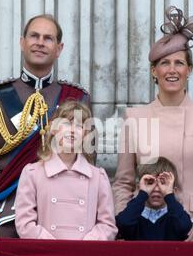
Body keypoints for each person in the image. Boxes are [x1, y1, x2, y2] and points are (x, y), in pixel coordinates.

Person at [0, 14, 91, 239]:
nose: (40, 42)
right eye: (34, 36)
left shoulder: (77, 98)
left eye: (48, 38)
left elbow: (87, 159)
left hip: (62, 213)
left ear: (58, 48)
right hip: (6, 214)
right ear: (22, 43)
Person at [113, 6, 193, 241]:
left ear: (190, 70)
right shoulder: (134, 118)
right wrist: (124, 223)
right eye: (165, 63)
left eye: (179, 63)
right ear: (154, 71)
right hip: (145, 231)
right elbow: (123, 182)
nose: (172, 70)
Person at [15, 100, 117, 240]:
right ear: (53, 128)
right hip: (47, 255)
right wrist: (53, 246)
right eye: (67, 123)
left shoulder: (98, 177)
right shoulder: (33, 173)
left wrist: (88, 243)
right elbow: (24, 224)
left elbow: (107, 225)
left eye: (80, 126)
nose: (73, 130)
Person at [116, 157, 192, 241]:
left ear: (173, 190)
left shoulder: (175, 215)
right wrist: (142, 194)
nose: (156, 189)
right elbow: (123, 223)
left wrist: (169, 196)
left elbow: (184, 227)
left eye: (163, 183)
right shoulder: (134, 215)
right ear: (140, 187)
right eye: (150, 183)